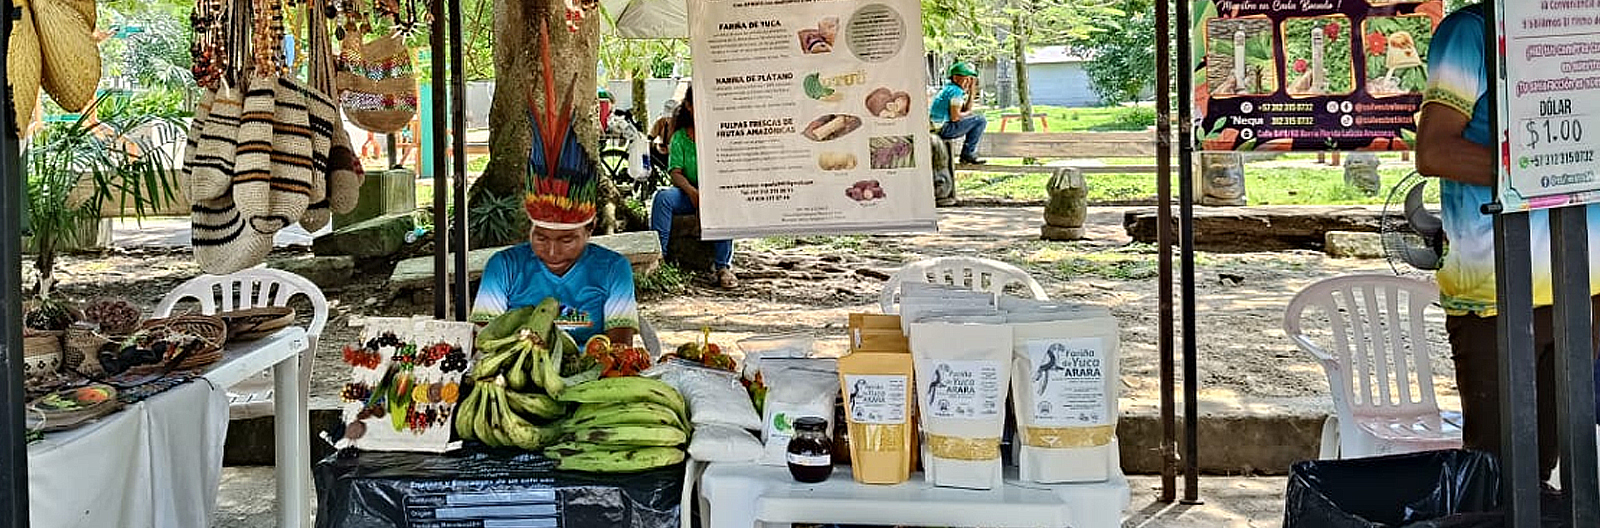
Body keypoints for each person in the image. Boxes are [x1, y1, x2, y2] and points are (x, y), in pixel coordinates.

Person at [1416, 2, 1600, 482]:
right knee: (1497, 473)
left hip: (1585, 286)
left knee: (1550, 465)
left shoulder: (1586, 28)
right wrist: (1550, 176)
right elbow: (1435, 149)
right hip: (1494, 292)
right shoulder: (1470, 34)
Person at [470, 81, 639, 345]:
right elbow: (484, 341)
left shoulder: (613, 269)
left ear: (590, 228)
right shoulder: (503, 268)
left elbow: (619, 348)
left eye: (566, 240)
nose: (551, 252)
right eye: (541, 238)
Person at [651, 85, 739, 289]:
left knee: (723, 203)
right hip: (687, 193)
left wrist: (708, 196)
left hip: (715, 193)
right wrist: (692, 193)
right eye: (697, 103)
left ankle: (723, 267)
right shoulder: (680, 137)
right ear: (689, 107)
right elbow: (675, 173)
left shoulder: (719, 133)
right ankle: (658, 260)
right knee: (662, 198)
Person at [931, 61, 986, 165]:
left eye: (970, 79)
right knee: (980, 120)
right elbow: (955, 117)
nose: (968, 82)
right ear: (955, 78)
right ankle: (967, 153)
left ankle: (967, 154)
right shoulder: (956, 91)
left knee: (977, 119)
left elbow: (964, 110)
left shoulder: (950, 89)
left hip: (937, 128)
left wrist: (972, 92)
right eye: (965, 79)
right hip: (943, 128)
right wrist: (969, 113)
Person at [648, 100, 676, 171]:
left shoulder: (681, 125)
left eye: (671, 117)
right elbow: (650, 137)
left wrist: (669, 148)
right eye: (667, 117)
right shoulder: (661, 121)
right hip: (662, 151)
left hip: (675, 154)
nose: (669, 119)